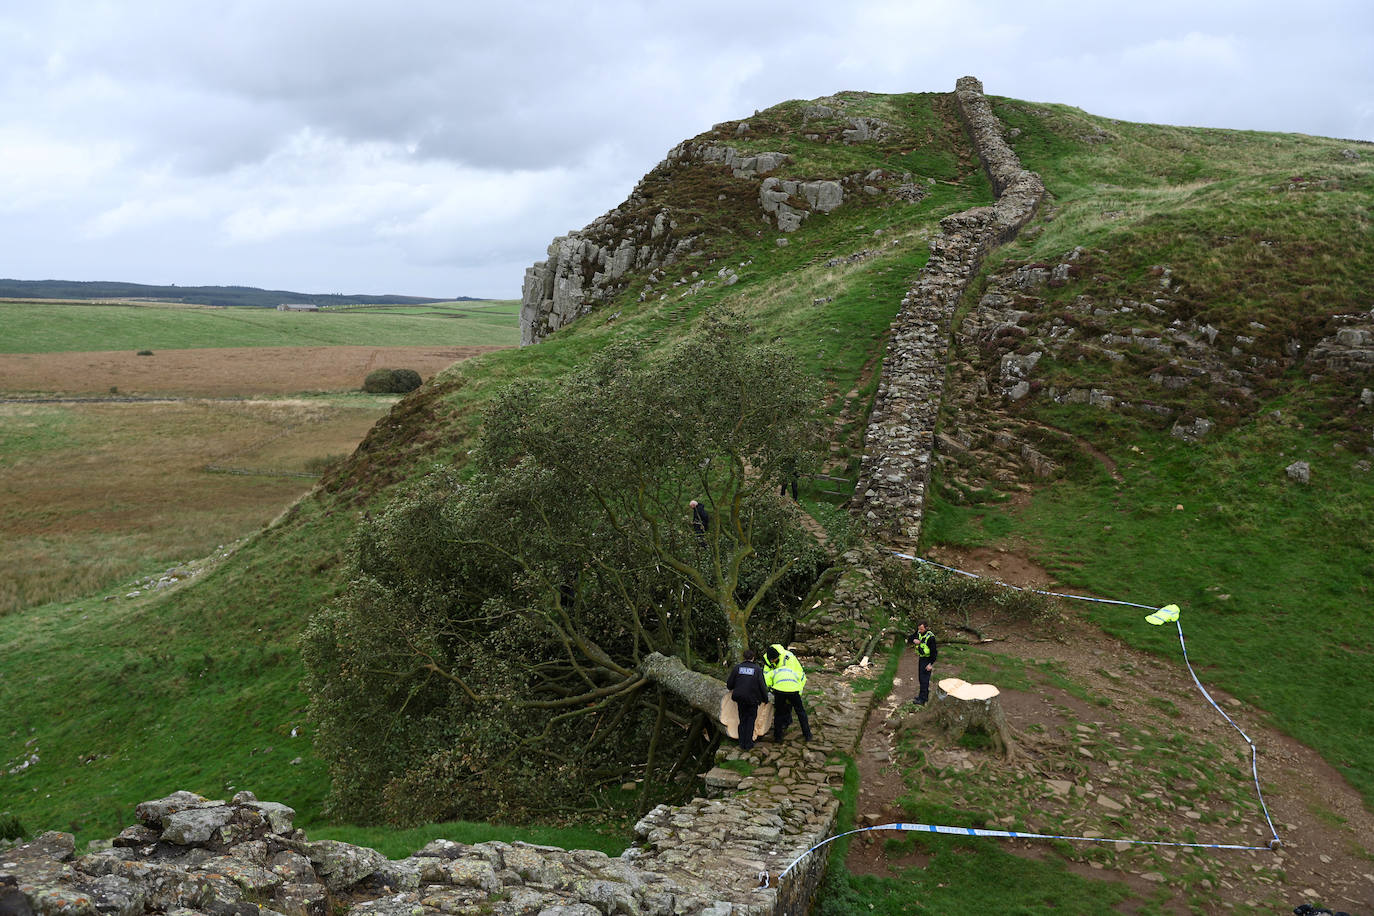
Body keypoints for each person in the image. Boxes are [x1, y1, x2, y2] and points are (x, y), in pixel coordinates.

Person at [763, 643, 811, 742]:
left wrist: (771, 689)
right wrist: (798, 691)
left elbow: (766, 679)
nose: (772, 662)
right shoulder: (792, 671)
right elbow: (802, 676)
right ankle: (807, 734)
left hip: (779, 690)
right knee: (801, 712)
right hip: (793, 689)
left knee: (778, 713)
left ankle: (778, 737)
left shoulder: (775, 670)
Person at [726, 649, 768, 750]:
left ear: (743, 658)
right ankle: (748, 744)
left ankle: (741, 743)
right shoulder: (757, 669)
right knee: (750, 720)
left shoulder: (737, 668)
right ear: (753, 658)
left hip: (740, 698)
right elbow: (762, 686)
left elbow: (729, 684)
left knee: (742, 719)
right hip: (752, 699)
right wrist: (765, 699)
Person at [907, 622, 937, 704]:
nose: (919, 631)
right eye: (919, 629)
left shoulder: (931, 638)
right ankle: (922, 696)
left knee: (924, 680)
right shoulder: (918, 632)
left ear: (926, 628)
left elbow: (934, 652)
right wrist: (914, 640)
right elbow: (910, 638)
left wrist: (930, 664)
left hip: (927, 660)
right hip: (922, 658)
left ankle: (922, 699)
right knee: (921, 678)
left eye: (921, 629)